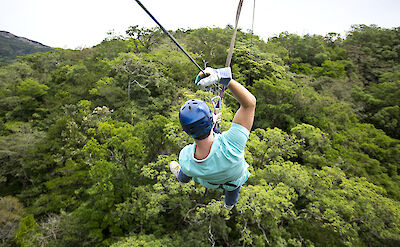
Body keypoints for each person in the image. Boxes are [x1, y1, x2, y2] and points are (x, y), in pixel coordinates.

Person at [170, 67, 256, 210]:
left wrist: (210, 123)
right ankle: (229, 204)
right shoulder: (232, 145)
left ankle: (179, 175)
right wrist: (223, 77)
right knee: (233, 190)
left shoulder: (186, 157)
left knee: (184, 174)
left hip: (209, 181)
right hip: (233, 179)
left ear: (186, 131)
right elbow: (249, 104)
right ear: (210, 121)